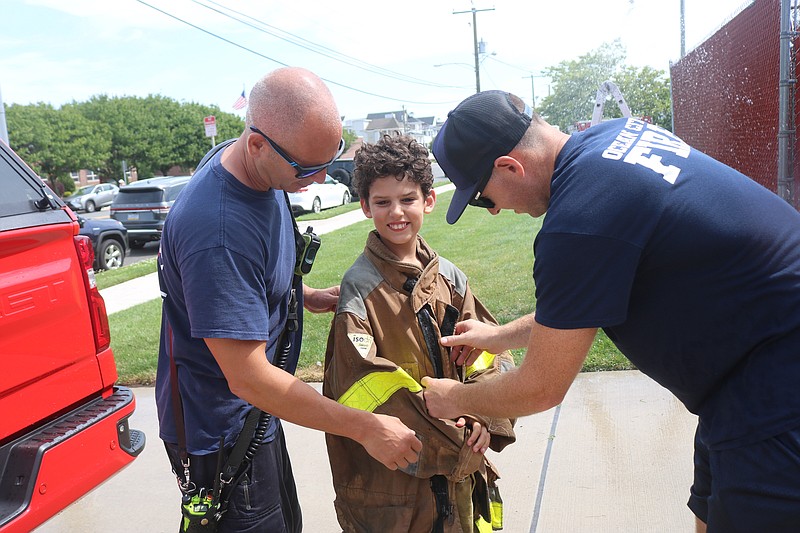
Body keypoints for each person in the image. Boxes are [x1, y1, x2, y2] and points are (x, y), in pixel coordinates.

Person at [423, 90, 800, 533]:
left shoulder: (579, 221)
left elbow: (540, 387)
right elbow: (586, 305)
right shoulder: (616, 138)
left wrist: (455, 399)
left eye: (483, 198)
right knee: (708, 515)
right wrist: (499, 334)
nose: (493, 211)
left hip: (775, 393)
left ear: (510, 166)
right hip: (747, 375)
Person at [155, 67, 421, 533]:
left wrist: (307, 296)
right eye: (306, 168)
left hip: (259, 415)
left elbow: (250, 281)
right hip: (222, 434)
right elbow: (249, 379)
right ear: (256, 143)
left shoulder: (261, 171)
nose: (318, 179)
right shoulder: (217, 231)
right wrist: (364, 427)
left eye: (330, 159)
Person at [323, 134, 516, 532]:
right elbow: (363, 386)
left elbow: (490, 353)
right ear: (364, 207)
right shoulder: (359, 290)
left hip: (461, 488)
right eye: (382, 202)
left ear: (428, 200)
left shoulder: (452, 280)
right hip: (397, 491)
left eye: (408, 199)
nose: (396, 212)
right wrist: (458, 438)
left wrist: (481, 411)